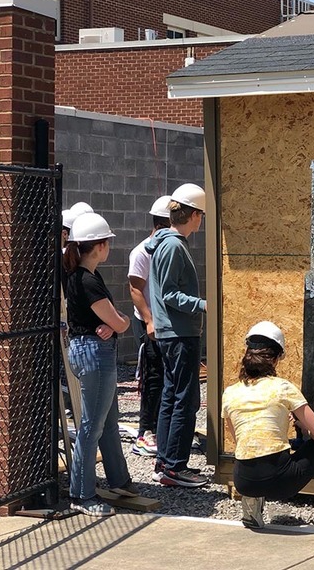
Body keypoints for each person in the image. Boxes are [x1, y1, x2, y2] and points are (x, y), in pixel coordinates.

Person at [222, 321, 314, 534]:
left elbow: (241, 439)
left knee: (256, 451)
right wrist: (301, 431)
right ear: (276, 359)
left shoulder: (230, 393)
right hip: (278, 483)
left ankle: (252, 506)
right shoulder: (283, 387)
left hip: (244, 481)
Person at [64, 212, 138, 516]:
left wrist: (116, 322)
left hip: (92, 351)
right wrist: (120, 321)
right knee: (92, 426)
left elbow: (112, 320)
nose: (109, 248)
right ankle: (82, 495)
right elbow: (120, 322)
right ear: (98, 246)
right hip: (94, 354)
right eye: (107, 242)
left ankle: (119, 480)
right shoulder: (87, 280)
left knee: (106, 422)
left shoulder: (87, 277)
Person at [146, 183, 209, 488]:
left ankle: (165, 463)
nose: (202, 221)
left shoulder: (166, 243)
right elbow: (170, 293)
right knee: (186, 400)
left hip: (173, 333)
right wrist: (203, 304)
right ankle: (174, 466)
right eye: (201, 215)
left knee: (172, 397)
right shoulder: (173, 245)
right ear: (194, 215)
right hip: (180, 334)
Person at [128, 196, 172, 457]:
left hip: (165, 323)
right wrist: (149, 320)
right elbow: (135, 288)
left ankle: (162, 429)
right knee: (153, 377)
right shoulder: (143, 251)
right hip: (148, 323)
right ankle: (146, 432)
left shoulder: (167, 247)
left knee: (167, 377)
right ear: (163, 223)